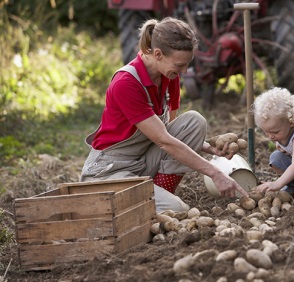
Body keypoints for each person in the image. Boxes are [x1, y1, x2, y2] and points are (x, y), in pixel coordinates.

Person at [80, 17, 248, 212]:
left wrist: (210, 149)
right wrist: (215, 173)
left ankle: (159, 193)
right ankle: (158, 200)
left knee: (194, 122)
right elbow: (165, 141)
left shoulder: (169, 75)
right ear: (158, 54)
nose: (184, 71)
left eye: (186, 64)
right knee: (177, 210)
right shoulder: (126, 83)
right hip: (110, 171)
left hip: (142, 159)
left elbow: (169, 133)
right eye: (179, 65)